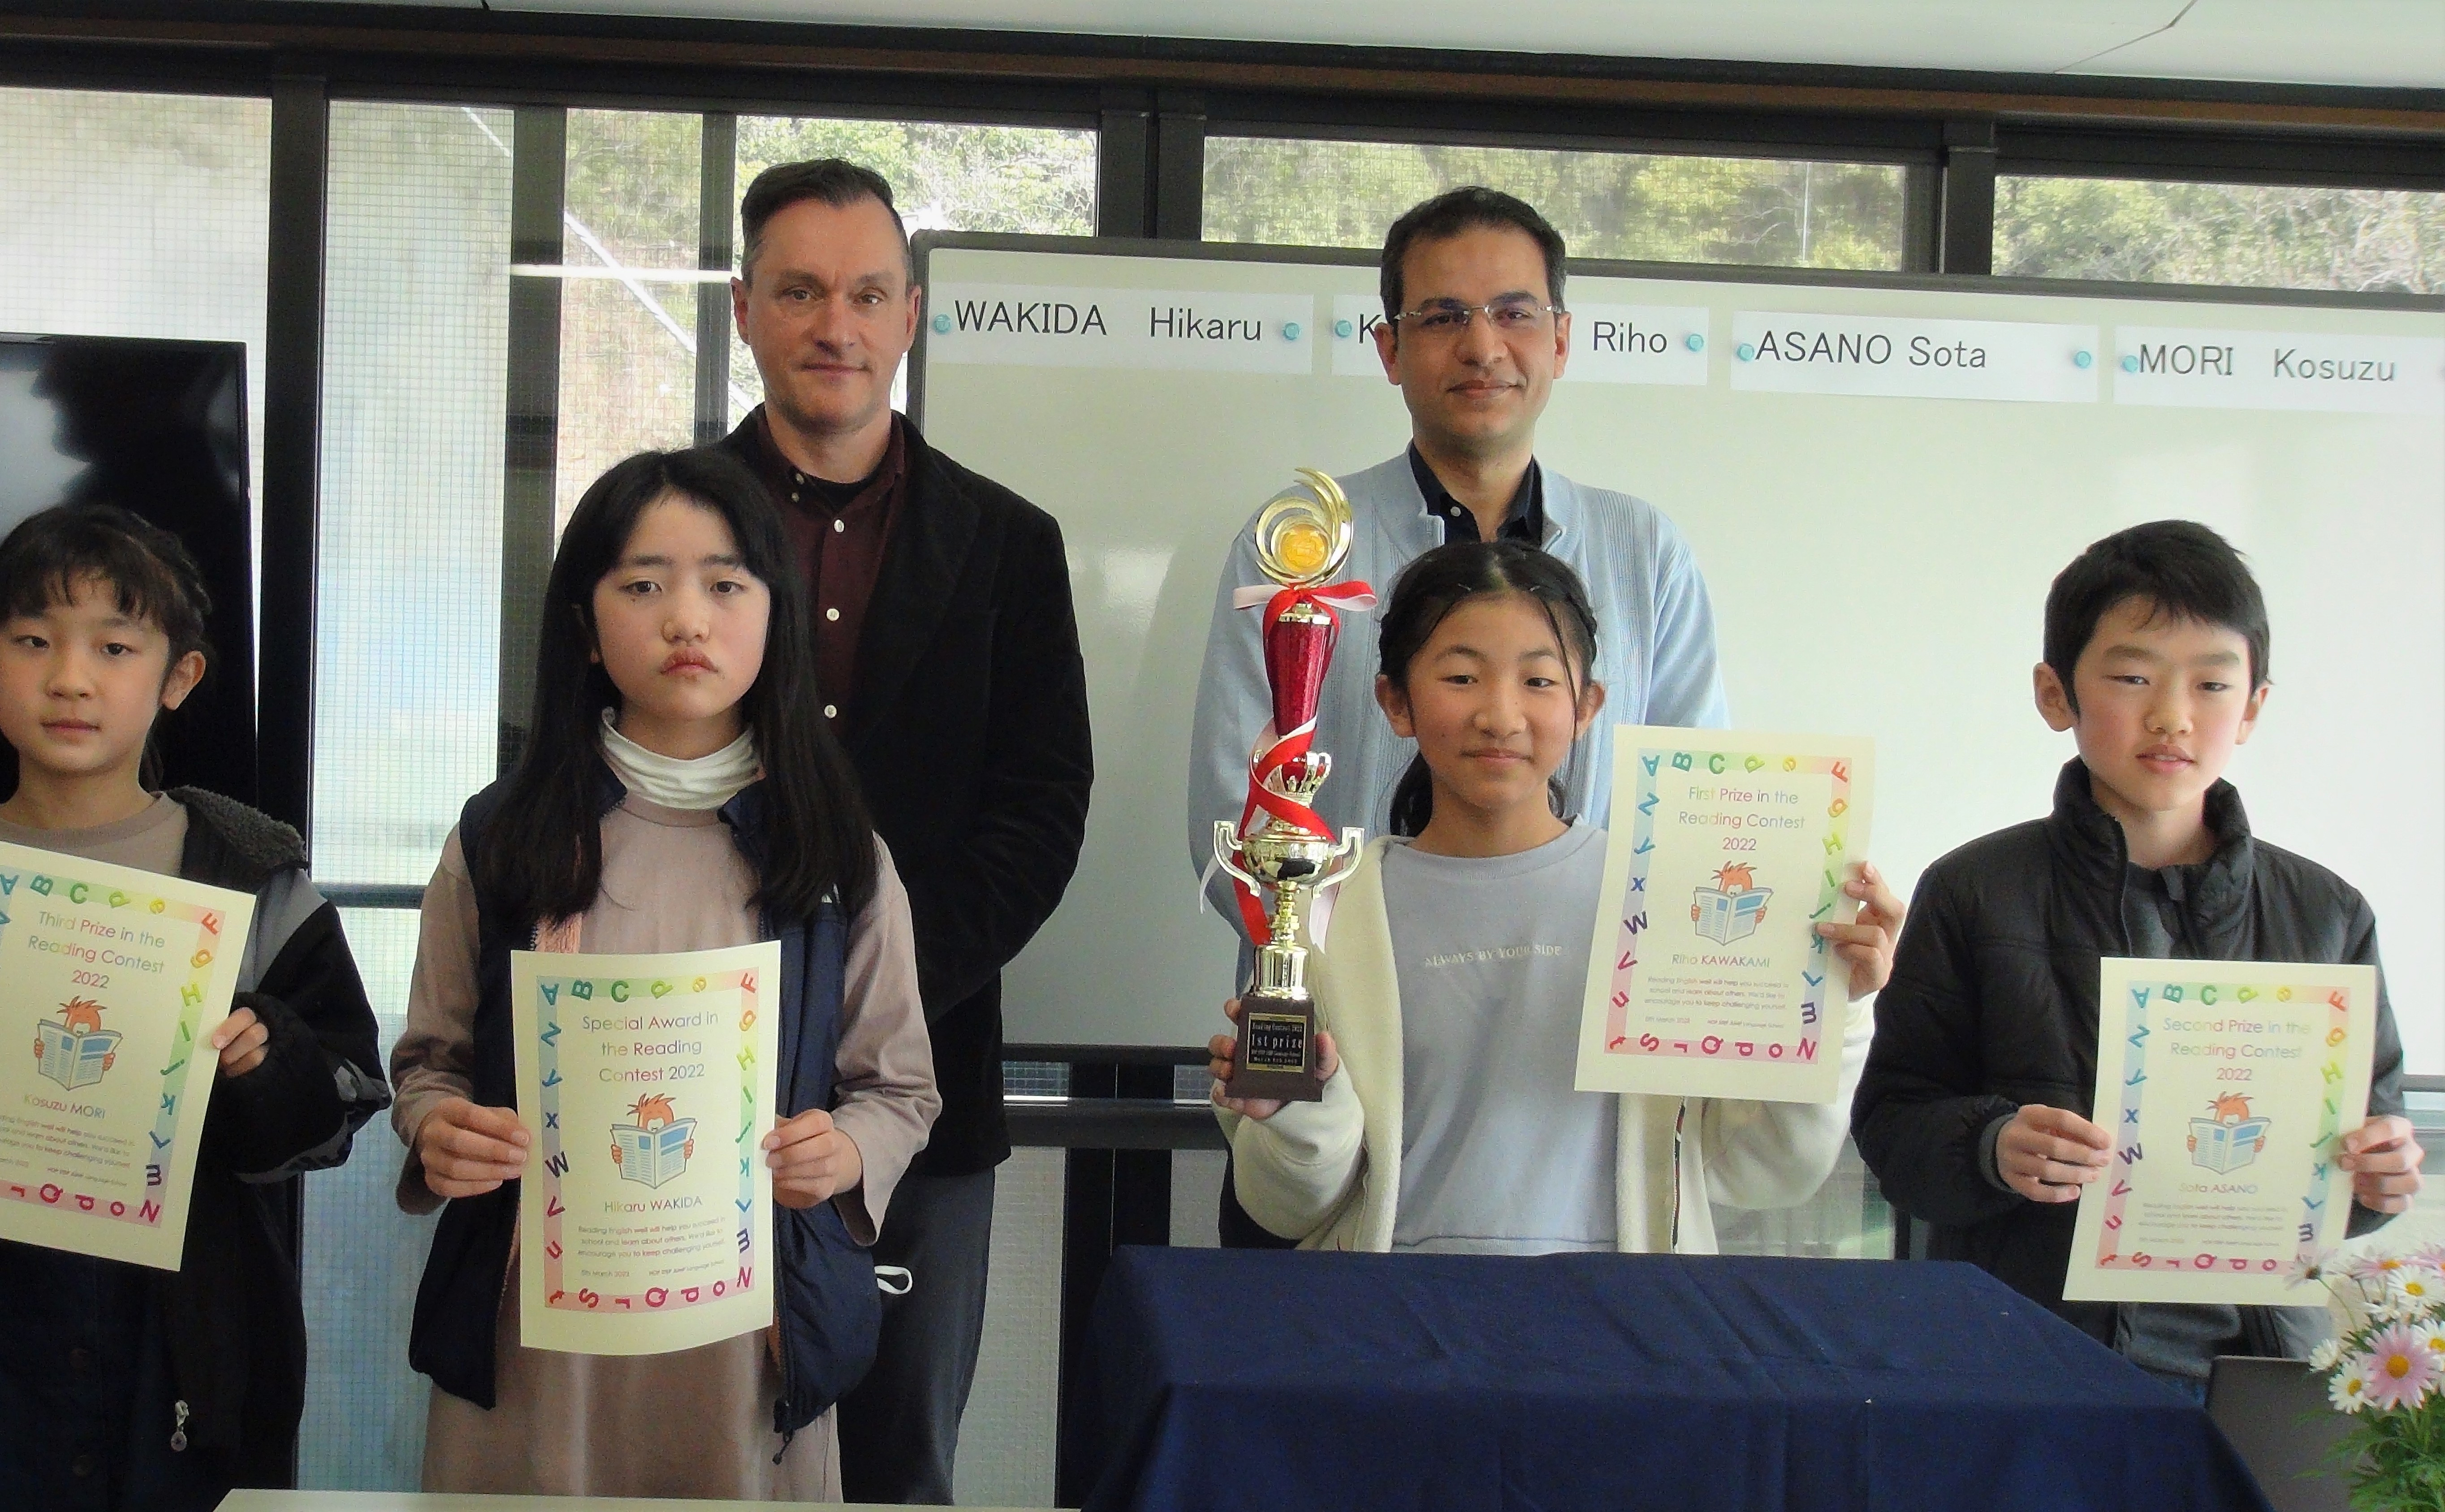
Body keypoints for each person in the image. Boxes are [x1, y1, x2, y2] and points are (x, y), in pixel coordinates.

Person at [0, 503, 387, 1510]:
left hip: (183, 1355)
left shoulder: (253, 882)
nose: (71, 678)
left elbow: (340, 1107)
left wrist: (269, 1065)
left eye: (115, 646)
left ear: (180, 676)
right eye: (34, 641)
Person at [390, 447, 940, 1500]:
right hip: (538, 1336)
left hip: (749, 1335)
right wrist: (437, 1127)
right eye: (643, 586)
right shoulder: (500, 840)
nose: (687, 619)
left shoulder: (836, 853)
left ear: (775, 617)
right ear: (584, 627)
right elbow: (430, 1063)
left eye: (726, 585)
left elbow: (899, 1087)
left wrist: (845, 1152)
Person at [1190, 185, 1729, 1245]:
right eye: (1442, 317)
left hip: (1575, 1096)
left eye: (1514, 313)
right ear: (1390, 349)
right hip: (1336, 1091)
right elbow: (1232, 813)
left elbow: (1694, 823)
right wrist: (1332, 993)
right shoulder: (1299, 542)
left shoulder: (1645, 551)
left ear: (1561, 338)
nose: (1483, 346)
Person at [715, 157, 1094, 1504]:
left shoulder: (1008, 542)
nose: (838, 325)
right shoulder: (654, 524)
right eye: (801, 292)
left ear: (913, 314)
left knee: (896, 1464)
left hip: (925, 1087)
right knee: (686, 1452)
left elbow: (1040, 812)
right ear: (745, 309)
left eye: (869, 294)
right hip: (686, 1073)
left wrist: (875, 997)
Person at [1851, 519, 2422, 1400]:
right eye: (2132, 677)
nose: (2173, 716)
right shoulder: (1974, 891)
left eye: (2212, 684)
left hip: (2251, 1373)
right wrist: (1992, 1144)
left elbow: (2355, 1159)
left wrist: (2379, 1177)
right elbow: (1894, 1128)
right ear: (2056, 694)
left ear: (2254, 707)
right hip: (2020, 1358)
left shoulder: (2326, 915)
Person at [1212, 540, 1901, 1255]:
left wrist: (1833, 1006)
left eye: (1539, 681)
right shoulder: (1329, 911)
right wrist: (1299, 1111)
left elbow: (1763, 1170)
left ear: (1587, 706)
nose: (1500, 714)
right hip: (1397, 1311)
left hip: (1620, 1315)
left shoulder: (1665, 897)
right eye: (1461, 676)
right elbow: (1284, 1208)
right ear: (1397, 701)